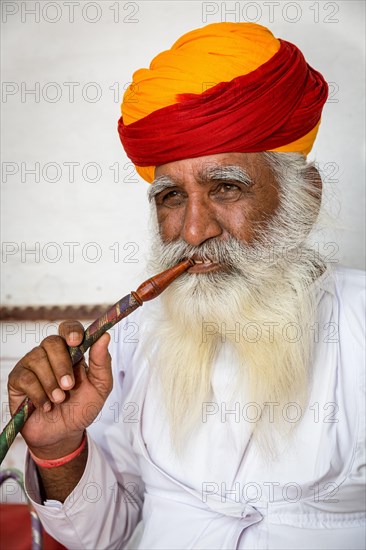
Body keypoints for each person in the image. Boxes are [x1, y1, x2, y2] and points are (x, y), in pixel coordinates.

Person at [7, 22, 365, 549]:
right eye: (172, 197)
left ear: (304, 200)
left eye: (226, 187)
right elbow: (105, 535)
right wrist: (60, 447)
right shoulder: (129, 340)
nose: (194, 231)